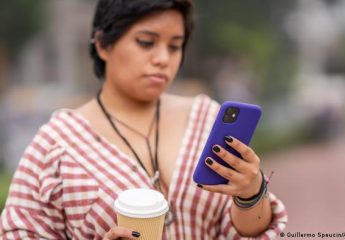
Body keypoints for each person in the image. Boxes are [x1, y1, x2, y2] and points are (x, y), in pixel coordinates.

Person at [0, 0, 288, 239]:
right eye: (146, 42)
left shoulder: (206, 119)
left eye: (175, 46)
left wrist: (250, 194)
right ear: (103, 45)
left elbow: (250, 232)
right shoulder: (56, 144)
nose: (163, 58)